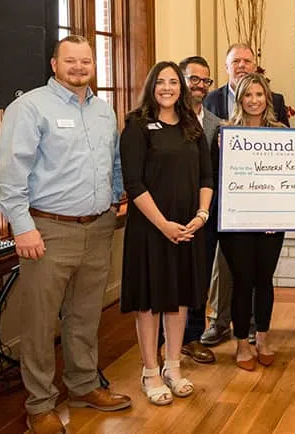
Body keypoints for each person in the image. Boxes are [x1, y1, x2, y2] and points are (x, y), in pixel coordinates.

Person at [0, 35, 131, 433]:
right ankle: (40, 405)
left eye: (85, 61)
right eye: (70, 60)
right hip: (47, 231)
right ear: (54, 64)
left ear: (93, 65)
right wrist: (24, 229)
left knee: (84, 316)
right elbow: (9, 176)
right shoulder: (30, 107)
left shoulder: (105, 112)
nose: (79, 67)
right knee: (39, 325)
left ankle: (84, 384)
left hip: (99, 227)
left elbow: (114, 161)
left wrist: (117, 194)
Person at [120, 61, 213, 405]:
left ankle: (173, 367)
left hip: (188, 229)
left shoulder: (192, 126)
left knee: (179, 299)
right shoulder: (137, 125)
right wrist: (163, 225)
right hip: (151, 230)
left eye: (174, 82)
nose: (168, 88)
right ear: (151, 86)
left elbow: (207, 176)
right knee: (150, 302)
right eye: (161, 82)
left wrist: (201, 215)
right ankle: (150, 372)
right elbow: (133, 182)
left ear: (182, 88)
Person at [201, 42, 288, 347]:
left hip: (271, 223)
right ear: (239, 99)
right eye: (248, 95)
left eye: (259, 95)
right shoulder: (224, 134)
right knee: (240, 281)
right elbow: (211, 176)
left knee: (264, 281)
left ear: (267, 98)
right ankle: (241, 344)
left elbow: (290, 175)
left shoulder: (281, 133)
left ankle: (261, 340)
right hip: (236, 223)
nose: (254, 100)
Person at [151, 56, 218, 366]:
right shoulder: (150, 122)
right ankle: (160, 346)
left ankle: (192, 337)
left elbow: (210, 173)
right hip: (161, 215)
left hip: (201, 215)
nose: (199, 86)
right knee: (164, 279)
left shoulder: (216, 123)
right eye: (193, 79)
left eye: (205, 81)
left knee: (197, 278)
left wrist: (203, 213)